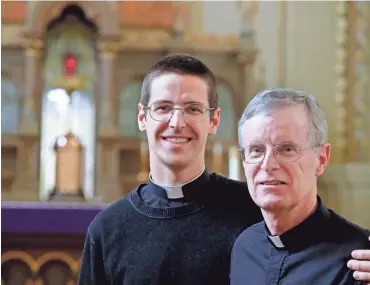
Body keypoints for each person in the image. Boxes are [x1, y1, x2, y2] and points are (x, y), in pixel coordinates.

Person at [78, 55, 370, 285]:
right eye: (163, 107)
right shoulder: (107, 229)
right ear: (143, 117)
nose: (177, 123)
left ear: (214, 120)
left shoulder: (260, 205)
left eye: (192, 108)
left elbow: (323, 234)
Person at [230, 88, 370, 285]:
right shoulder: (245, 247)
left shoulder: (359, 259)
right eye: (256, 150)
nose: (268, 164)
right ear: (244, 161)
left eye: (287, 149)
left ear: (321, 159)